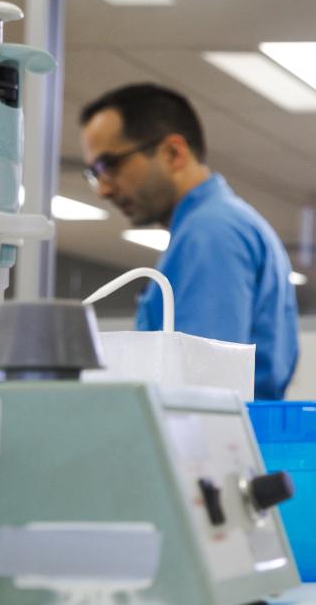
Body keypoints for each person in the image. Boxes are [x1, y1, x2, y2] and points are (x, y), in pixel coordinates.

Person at [79, 82, 300, 400]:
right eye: (94, 174)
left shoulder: (211, 233)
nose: (103, 189)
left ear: (173, 153)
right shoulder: (222, 223)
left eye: (109, 166)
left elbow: (200, 394)